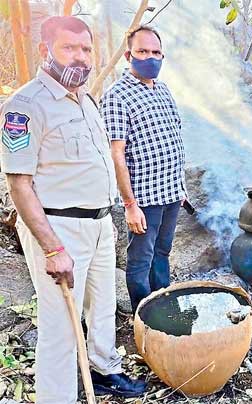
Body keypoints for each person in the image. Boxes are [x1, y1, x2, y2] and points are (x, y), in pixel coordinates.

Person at [0, 16, 146, 402]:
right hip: (60, 229)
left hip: (99, 224)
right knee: (61, 327)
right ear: (44, 50)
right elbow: (19, 184)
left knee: (102, 309)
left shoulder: (86, 99)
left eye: (85, 49)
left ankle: (104, 371)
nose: (80, 58)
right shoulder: (25, 106)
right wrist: (53, 248)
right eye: (69, 48)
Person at [100, 25, 187, 312]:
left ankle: (162, 305)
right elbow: (116, 154)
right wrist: (129, 204)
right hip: (144, 198)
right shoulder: (117, 95)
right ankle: (143, 315)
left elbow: (175, 138)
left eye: (155, 52)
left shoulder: (163, 89)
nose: (150, 57)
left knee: (162, 252)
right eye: (142, 51)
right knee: (140, 259)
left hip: (171, 193)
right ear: (129, 55)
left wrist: (181, 187)